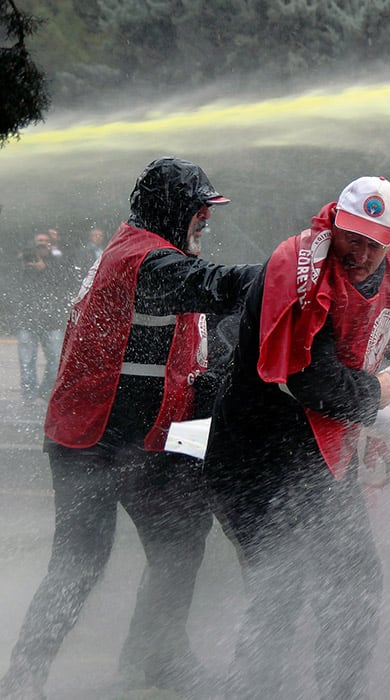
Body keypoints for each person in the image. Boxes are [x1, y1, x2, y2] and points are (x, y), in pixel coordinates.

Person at [0, 156, 261, 700]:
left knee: (182, 544)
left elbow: (197, 342)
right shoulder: (142, 258)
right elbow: (220, 287)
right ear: (173, 210)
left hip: (155, 439)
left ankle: (157, 657)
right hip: (91, 441)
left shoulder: (158, 255)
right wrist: (300, 266)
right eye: (199, 211)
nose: (205, 222)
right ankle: (23, 678)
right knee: (80, 562)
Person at [204, 176, 390, 700]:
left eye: (375, 241)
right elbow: (311, 380)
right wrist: (376, 393)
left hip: (319, 456)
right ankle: (258, 690)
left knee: (354, 581)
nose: (361, 252)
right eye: (353, 238)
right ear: (334, 223)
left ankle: (337, 689)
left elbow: (383, 330)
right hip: (258, 455)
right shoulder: (301, 267)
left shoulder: (385, 267)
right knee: (283, 587)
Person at [13, 231, 70, 403]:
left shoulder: (58, 262)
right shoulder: (23, 260)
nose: (42, 245)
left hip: (51, 320)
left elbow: (63, 283)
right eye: (39, 242)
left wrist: (45, 268)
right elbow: (12, 283)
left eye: (45, 242)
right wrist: (22, 264)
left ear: (50, 244)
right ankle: (29, 395)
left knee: (55, 360)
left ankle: (45, 391)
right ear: (33, 243)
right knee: (26, 361)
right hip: (27, 318)